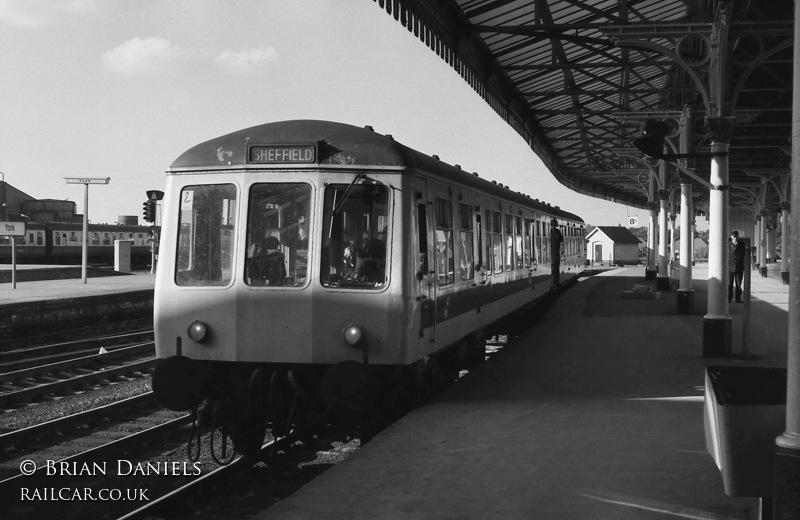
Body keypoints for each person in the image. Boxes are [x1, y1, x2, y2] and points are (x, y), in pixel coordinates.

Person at [729, 230, 746, 303]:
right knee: (729, 284)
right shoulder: (728, 244)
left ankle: (738, 298)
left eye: (736, 236)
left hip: (739, 267)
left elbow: (743, 254)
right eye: (734, 236)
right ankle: (729, 298)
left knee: (738, 284)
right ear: (731, 237)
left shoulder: (741, 244)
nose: (735, 238)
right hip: (730, 267)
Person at [550, 218, 563, 287]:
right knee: (556, 268)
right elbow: (561, 239)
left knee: (552, 268)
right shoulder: (557, 231)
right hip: (556, 252)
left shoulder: (548, 231)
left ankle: (553, 280)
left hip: (549, 252)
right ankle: (556, 281)